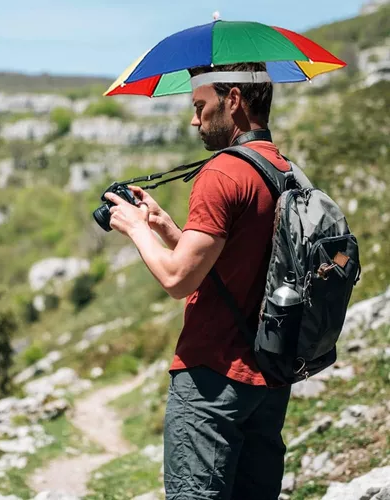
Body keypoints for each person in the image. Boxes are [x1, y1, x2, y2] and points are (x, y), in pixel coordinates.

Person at [104, 62, 291, 500]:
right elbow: (235, 263)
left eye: (199, 105)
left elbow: (176, 278)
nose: (194, 119)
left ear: (233, 100)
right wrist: (170, 229)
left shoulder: (223, 172)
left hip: (212, 380)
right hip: (267, 381)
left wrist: (136, 228)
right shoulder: (282, 170)